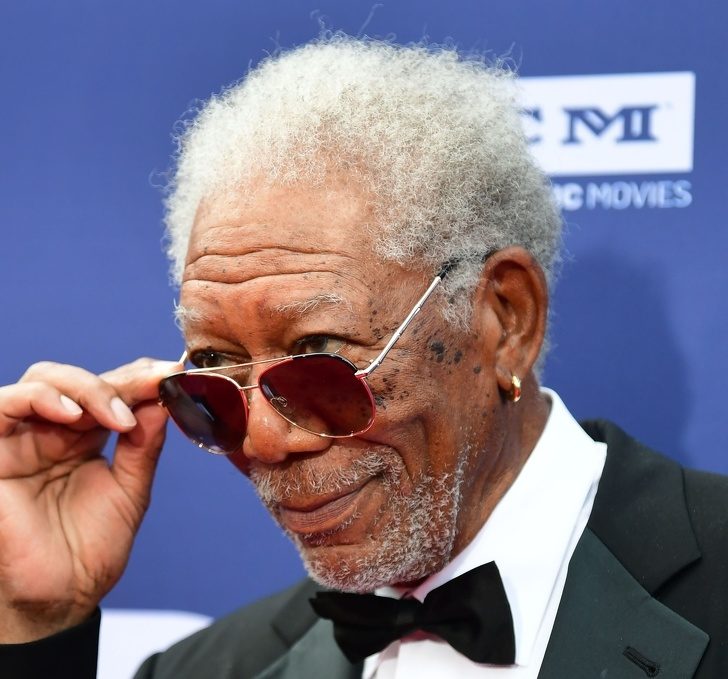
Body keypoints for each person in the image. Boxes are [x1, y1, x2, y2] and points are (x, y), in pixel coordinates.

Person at [0, 36, 726, 679]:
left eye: (318, 356)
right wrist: (36, 623)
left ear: (506, 319)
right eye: (216, 374)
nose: (263, 441)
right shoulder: (212, 667)